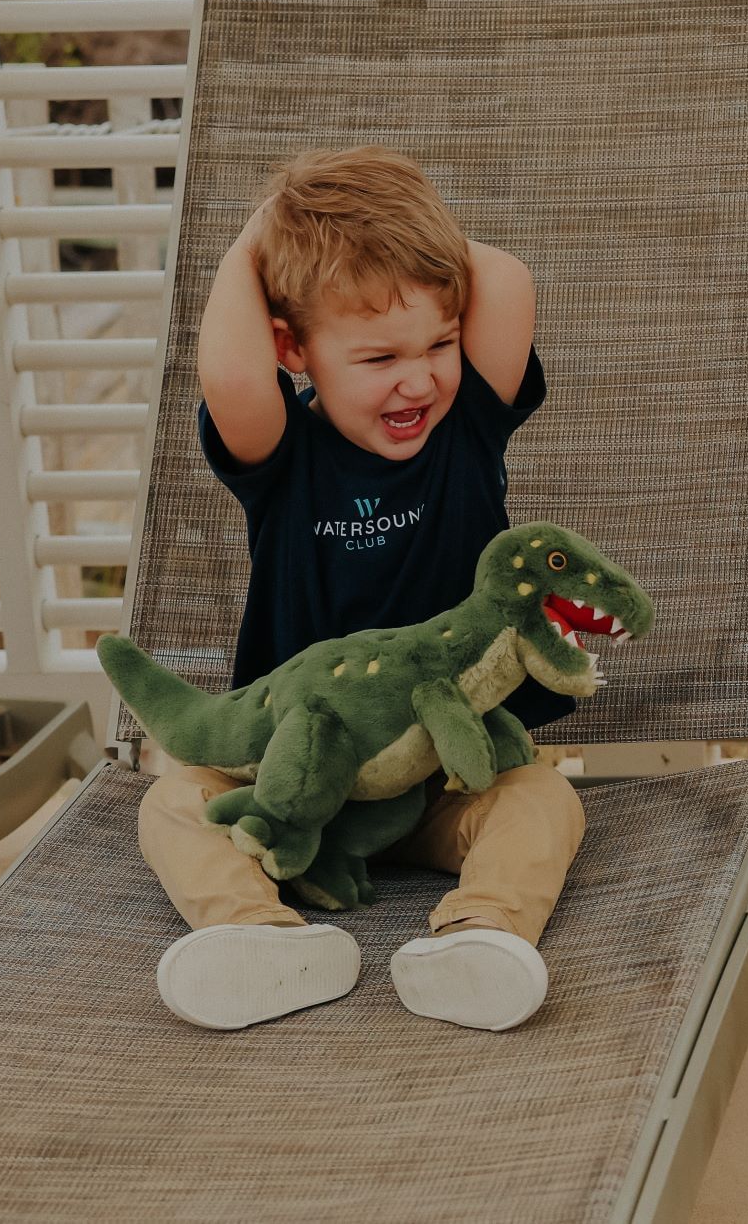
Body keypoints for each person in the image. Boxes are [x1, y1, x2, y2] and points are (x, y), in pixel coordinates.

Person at [136, 146, 584, 1033]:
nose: (418, 379)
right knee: (172, 801)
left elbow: (506, 277)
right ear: (291, 347)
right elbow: (229, 374)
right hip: (288, 777)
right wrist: (269, 229)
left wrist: (390, 227)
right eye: (378, 355)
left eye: (440, 344)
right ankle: (258, 938)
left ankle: (481, 939)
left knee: (544, 799)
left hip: (440, 777)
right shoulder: (281, 456)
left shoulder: (469, 432)